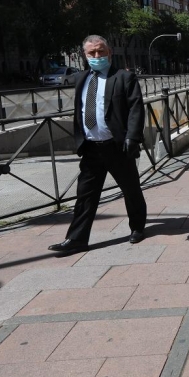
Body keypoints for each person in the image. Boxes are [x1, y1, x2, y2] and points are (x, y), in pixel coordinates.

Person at [48, 35, 147, 254]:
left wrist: (133, 137)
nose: (96, 56)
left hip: (117, 146)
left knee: (131, 190)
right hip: (91, 148)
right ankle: (77, 239)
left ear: (109, 53)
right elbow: (81, 110)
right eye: (92, 53)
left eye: (101, 52)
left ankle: (137, 227)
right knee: (85, 195)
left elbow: (136, 109)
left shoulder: (123, 78)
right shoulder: (81, 79)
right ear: (85, 55)